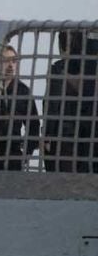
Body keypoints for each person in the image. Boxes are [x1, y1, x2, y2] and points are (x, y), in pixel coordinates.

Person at [43, 29, 96, 174]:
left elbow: (50, 104)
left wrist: (47, 134)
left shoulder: (59, 69)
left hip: (67, 133)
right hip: (72, 133)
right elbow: (50, 104)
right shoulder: (88, 68)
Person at [0, 43, 40, 173]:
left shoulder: (23, 91)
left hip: (12, 154)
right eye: (6, 61)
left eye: (14, 61)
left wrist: (25, 154)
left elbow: (33, 125)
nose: (10, 65)